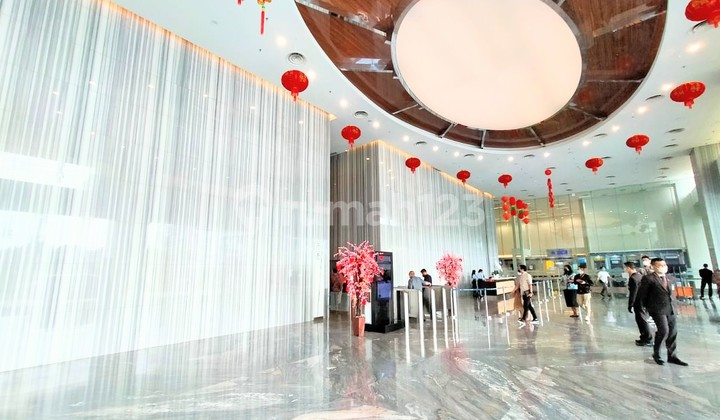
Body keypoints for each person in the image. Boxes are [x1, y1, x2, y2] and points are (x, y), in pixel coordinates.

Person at [638, 258, 688, 366]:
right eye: (660, 265)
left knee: (673, 332)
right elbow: (643, 294)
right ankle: (656, 354)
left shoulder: (669, 278)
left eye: (664, 265)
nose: (664, 267)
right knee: (663, 331)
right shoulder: (648, 278)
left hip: (671, 308)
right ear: (653, 267)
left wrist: (676, 306)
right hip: (657, 309)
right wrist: (644, 308)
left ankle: (672, 356)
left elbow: (671, 294)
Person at [625, 262, 652, 346]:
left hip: (638, 302)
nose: (625, 270)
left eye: (625, 268)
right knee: (642, 320)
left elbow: (633, 293)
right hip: (644, 301)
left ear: (629, 268)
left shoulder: (633, 278)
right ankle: (644, 337)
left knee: (641, 320)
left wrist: (630, 304)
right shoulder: (640, 276)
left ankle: (647, 338)